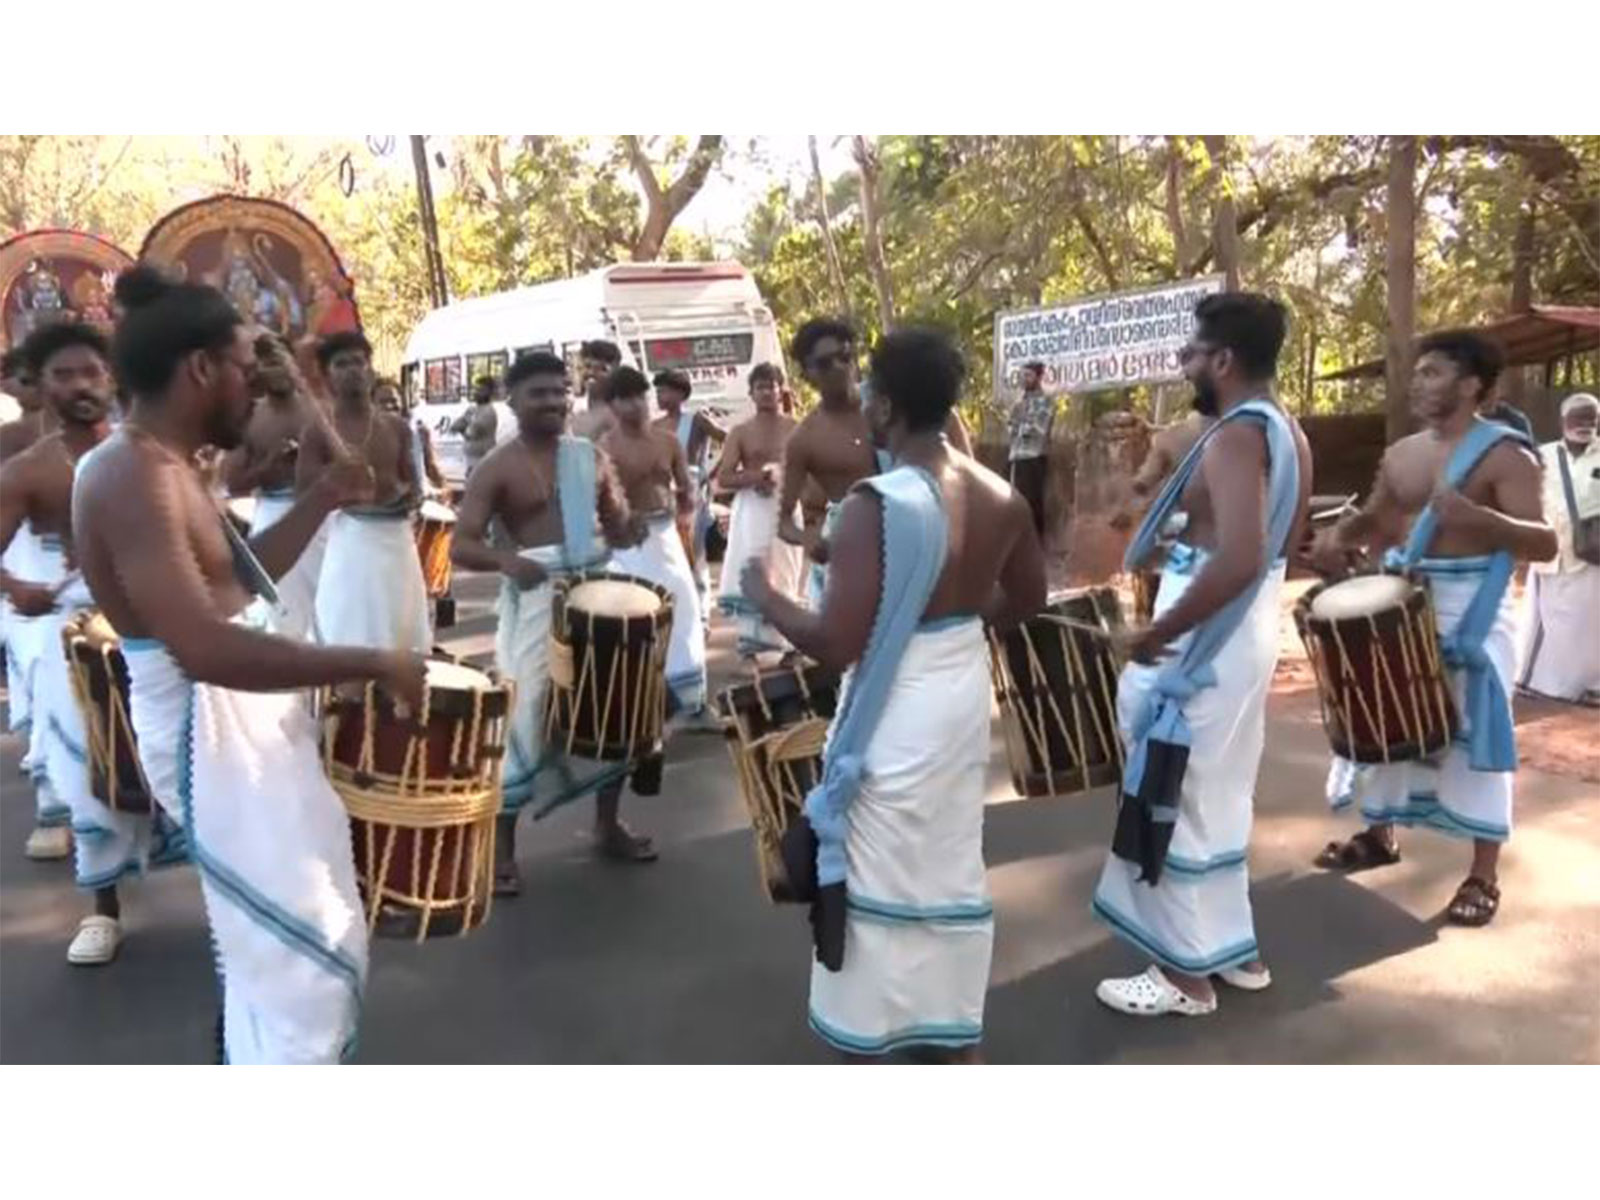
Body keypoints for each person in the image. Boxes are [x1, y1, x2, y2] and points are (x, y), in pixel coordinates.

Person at [74, 267, 424, 1062]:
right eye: (244, 364)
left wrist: (324, 498)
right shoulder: (131, 476)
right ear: (200, 369)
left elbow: (238, 584)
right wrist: (369, 659)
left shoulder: (167, 465)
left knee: (284, 952)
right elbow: (200, 646)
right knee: (301, 954)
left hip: (243, 734)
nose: (258, 382)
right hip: (212, 739)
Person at [743, 327, 1045, 1062]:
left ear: (882, 407)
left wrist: (764, 596)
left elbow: (837, 642)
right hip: (960, 690)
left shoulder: (872, 506)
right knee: (947, 852)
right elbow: (1029, 598)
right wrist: (953, 636)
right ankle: (950, 1032)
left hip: (899, 703)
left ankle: (873, 1032)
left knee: (879, 856)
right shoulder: (1003, 494)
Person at [1091, 293, 1311, 1017]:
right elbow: (1273, 546)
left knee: (1172, 789)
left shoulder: (1233, 437)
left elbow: (1240, 556)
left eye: (1190, 353)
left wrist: (1160, 631)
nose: (1185, 364)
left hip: (1208, 635)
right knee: (1221, 789)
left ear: (1223, 359)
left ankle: (1183, 978)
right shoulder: (1290, 435)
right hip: (1246, 633)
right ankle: (1231, 949)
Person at [1310, 329, 1555, 928]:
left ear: (1473, 385)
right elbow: (1379, 518)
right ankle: (1380, 834)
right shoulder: (1403, 454)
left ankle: (1483, 874)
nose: (1418, 382)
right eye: (1417, 373)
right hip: (1409, 593)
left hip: (1479, 605)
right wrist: (1340, 538)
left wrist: (1480, 518)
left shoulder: (1506, 454)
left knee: (1473, 735)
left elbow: (1544, 542)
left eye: (1435, 372)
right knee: (1388, 710)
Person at [0, 321, 183, 961]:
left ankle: (221, 890)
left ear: (113, 379)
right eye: (63, 374)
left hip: (156, 621)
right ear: (42, 388)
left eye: (91, 372)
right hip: (71, 634)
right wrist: (15, 586)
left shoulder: (152, 452)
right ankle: (102, 908)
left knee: (187, 755)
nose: (81, 385)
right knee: (87, 766)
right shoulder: (26, 471)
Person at [451, 351, 657, 882]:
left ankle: (607, 826)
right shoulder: (496, 466)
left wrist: (633, 527)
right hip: (537, 600)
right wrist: (506, 561)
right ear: (513, 400)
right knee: (529, 714)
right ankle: (502, 848)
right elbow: (461, 546)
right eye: (538, 393)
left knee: (615, 710)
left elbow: (615, 525)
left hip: (596, 591)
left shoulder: (587, 456)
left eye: (559, 391)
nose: (552, 401)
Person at [298, 331, 430, 653]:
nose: (354, 370)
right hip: (350, 539)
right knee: (349, 633)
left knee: (402, 634)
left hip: (397, 541)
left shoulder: (396, 427)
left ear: (371, 370)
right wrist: (339, 484)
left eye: (360, 362)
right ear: (328, 376)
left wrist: (410, 497)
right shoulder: (319, 429)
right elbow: (304, 492)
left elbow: (414, 484)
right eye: (342, 364)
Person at [600, 366, 710, 720]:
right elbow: (598, 504)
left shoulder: (668, 441)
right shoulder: (604, 449)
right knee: (639, 619)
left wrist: (687, 513)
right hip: (627, 543)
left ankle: (691, 701)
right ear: (612, 406)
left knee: (686, 608)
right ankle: (646, 705)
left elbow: (684, 487)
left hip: (667, 535)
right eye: (624, 399)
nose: (635, 405)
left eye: (638, 396)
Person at [775, 318, 888, 608]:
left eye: (845, 357)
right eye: (825, 363)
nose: (839, 368)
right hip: (853, 550)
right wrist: (808, 539)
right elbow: (783, 521)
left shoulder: (889, 403)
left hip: (911, 533)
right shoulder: (804, 439)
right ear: (807, 374)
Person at [222, 332, 324, 639]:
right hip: (273, 516)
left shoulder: (321, 412)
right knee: (285, 615)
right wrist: (269, 465)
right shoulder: (249, 417)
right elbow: (233, 482)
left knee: (331, 608)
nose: (275, 370)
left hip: (323, 520)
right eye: (266, 363)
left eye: (280, 360)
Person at [717, 363, 804, 659]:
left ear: (781, 390)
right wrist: (756, 478)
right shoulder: (740, 432)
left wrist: (782, 479)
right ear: (751, 393)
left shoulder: (795, 428)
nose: (767, 392)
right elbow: (724, 478)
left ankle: (789, 645)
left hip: (787, 507)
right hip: (753, 510)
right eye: (761, 387)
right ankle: (751, 648)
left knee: (786, 571)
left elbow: (809, 470)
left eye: (772, 385)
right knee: (754, 569)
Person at [1518, 393, 1600, 704]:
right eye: (1579, 416)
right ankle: (1542, 682)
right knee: (1547, 619)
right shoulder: (1543, 456)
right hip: (1552, 548)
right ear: (1563, 421)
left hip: (1592, 550)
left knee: (1591, 621)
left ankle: (1592, 684)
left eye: (1592, 417)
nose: (1586, 423)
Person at [652, 367, 723, 624]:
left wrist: (713, 471)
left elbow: (727, 438)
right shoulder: (654, 426)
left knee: (695, 553)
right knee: (670, 553)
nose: (659, 395)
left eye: (665, 390)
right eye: (657, 390)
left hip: (691, 491)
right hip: (664, 493)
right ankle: (677, 611)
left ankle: (701, 615)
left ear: (680, 394)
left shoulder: (695, 420)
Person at [1007, 360, 1055, 537]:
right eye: (1023, 375)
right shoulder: (1019, 403)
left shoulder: (1046, 401)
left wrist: (1023, 424)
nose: (1024, 379)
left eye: (1028, 375)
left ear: (1038, 377)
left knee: (1033, 503)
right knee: (1015, 500)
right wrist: (1020, 424)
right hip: (1016, 456)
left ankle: (1036, 543)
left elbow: (1039, 429)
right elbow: (1011, 426)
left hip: (1034, 456)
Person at [450, 375, 502, 477]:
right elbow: (456, 424)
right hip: (472, 460)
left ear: (489, 393)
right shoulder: (473, 409)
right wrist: (462, 424)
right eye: (476, 389)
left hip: (483, 460)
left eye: (481, 390)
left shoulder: (488, 412)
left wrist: (462, 428)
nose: (476, 393)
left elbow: (471, 433)